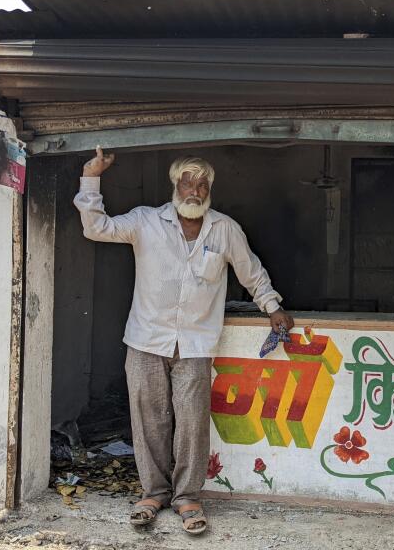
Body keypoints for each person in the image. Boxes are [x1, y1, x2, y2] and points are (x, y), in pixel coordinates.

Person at [74, 147, 294, 535]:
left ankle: (187, 497)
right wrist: (91, 177)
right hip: (146, 340)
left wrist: (272, 306)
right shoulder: (145, 221)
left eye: (203, 184)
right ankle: (153, 493)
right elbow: (96, 228)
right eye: (188, 182)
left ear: (210, 190)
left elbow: (251, 272)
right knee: (149, 420)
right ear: (175, 185)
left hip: (195, 345)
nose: (196, 190)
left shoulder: (224, 229)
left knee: (191, 422)